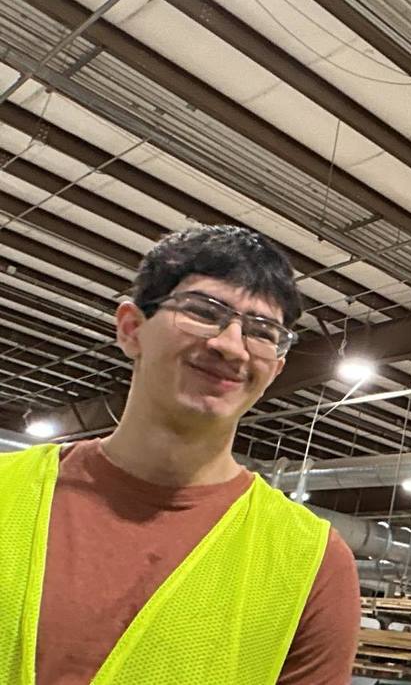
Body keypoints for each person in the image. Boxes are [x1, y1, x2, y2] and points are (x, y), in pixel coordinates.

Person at [0, 225, 361, 684]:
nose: (231, 345)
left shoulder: (311, 562)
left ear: (276, 368)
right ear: (132, 328)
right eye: (203, 311)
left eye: (262, 331)